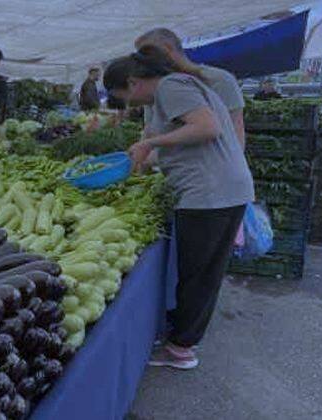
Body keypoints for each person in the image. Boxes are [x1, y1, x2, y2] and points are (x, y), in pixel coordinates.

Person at [103, 45, 254, 370]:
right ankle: (181, 337)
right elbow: (188, 142)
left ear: (133, 82)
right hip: (222, 190)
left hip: (210, 193)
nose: (128, 104)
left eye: (123, 96)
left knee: (198, 275)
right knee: (200, 272)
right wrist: (142, 157)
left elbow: (206, 128)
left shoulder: (171, 87)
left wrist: (150, 143)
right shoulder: (180, 86)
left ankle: (181, 348)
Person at [135, 28, 246, 150]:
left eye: (147, 55)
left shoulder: (219, 80)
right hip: (171, 165)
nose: (144, 63)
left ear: (167, 49)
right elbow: (150, 129)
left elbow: (236, 127)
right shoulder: (155, 88)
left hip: (213, 164)